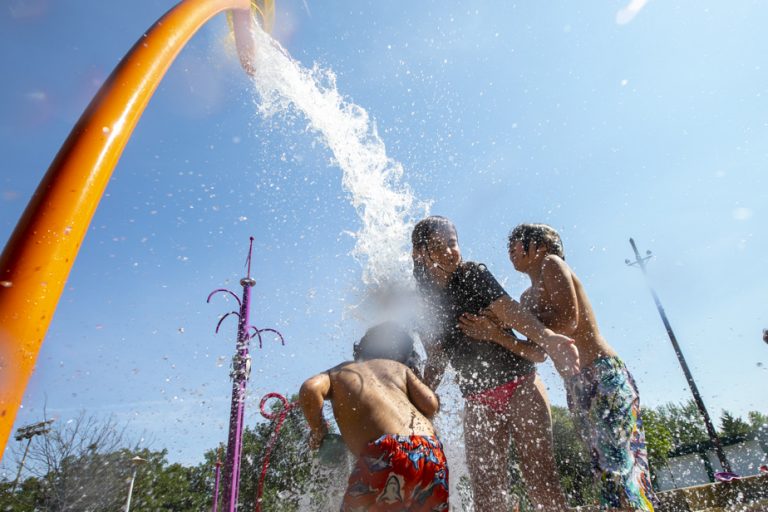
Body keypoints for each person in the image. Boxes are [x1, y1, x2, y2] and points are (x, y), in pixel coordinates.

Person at [411, 215, 576, 511]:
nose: (450, 251)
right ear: (420, 254)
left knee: (539, 476)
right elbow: (436, 358)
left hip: (520, 383)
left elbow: (511, 311)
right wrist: (419, 399)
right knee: (486, 491)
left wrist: (548, 337)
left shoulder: (472, 275)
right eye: (440, 246)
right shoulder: (423, 305)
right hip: (477, 399)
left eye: (453, 243)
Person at [500, 223, 656, 511]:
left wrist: (523, 322)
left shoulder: (551, 263)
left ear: (541, 247)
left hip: (602, 374)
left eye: (517, 243)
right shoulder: (525, 297)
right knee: (603, 472)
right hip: (576, 386)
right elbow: (537, 352)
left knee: (618, 468)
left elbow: (568, 321)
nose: (510, 249)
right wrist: (496, 334)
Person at [299, 322, 449, 511]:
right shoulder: (399, 369)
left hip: (386, 453)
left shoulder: (341, 372)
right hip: (431, 454)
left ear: (359, 351)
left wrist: (318, 430)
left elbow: (310, 388)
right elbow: (431, 405)